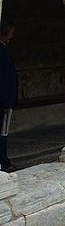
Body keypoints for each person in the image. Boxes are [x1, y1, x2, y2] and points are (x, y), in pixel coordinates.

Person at [0, 20, 17, 173]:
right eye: (11, 32)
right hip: (4, 101)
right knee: (2, 132)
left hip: (4, 99)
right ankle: (3, 162)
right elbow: (6, 78)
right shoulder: (2, 51)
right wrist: (8, 101)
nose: (12, 36)